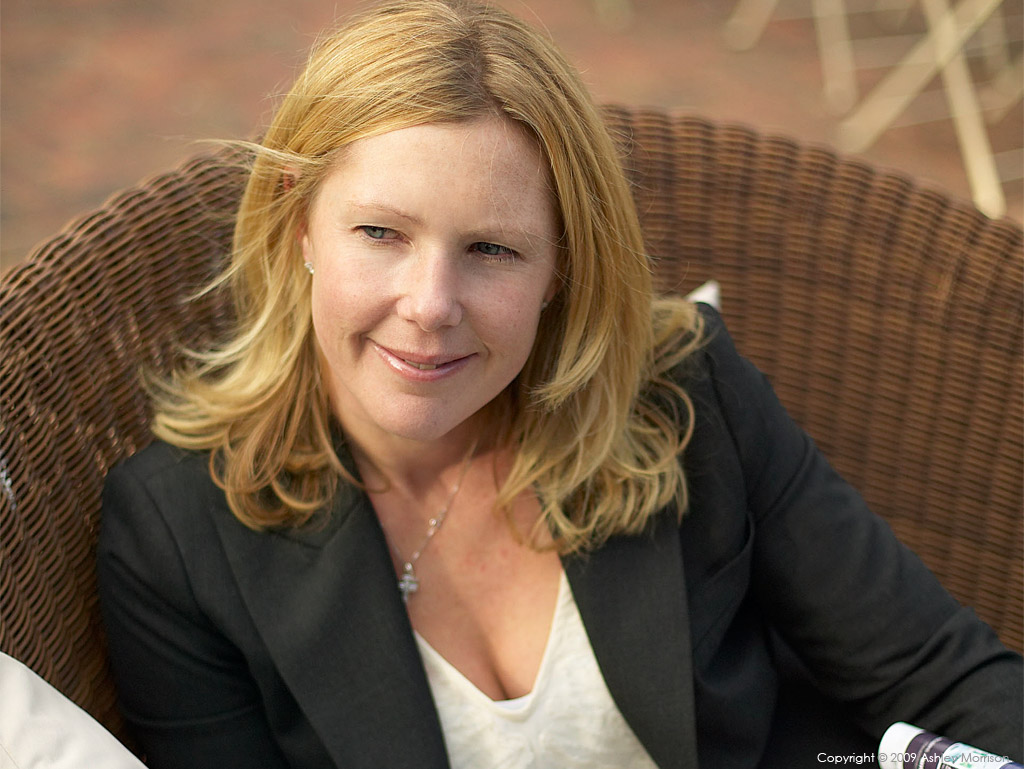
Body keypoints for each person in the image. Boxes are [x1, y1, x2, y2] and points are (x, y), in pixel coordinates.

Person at [96, 1, 1023, 767]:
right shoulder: (177, 533)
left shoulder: (684, 393)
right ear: (300, 228)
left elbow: (941, 675)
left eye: (491, 249)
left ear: (562, 270)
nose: (430, 305)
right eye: (380, 232)